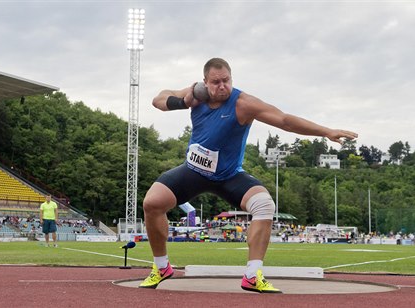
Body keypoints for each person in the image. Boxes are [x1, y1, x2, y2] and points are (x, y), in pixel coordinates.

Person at [139, 58, 358, 293]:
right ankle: (162, 267)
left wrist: (326, 132)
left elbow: (284, 121)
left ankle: (253, 275)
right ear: (205, 82)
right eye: (216, 82)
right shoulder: (197, 96)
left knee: (264, 205)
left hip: (228, 175)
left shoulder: (243, 103)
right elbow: (158, 100)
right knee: (152, 203)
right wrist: (183, 100)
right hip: (193, 171)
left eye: (226, 81)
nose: (222, 86)